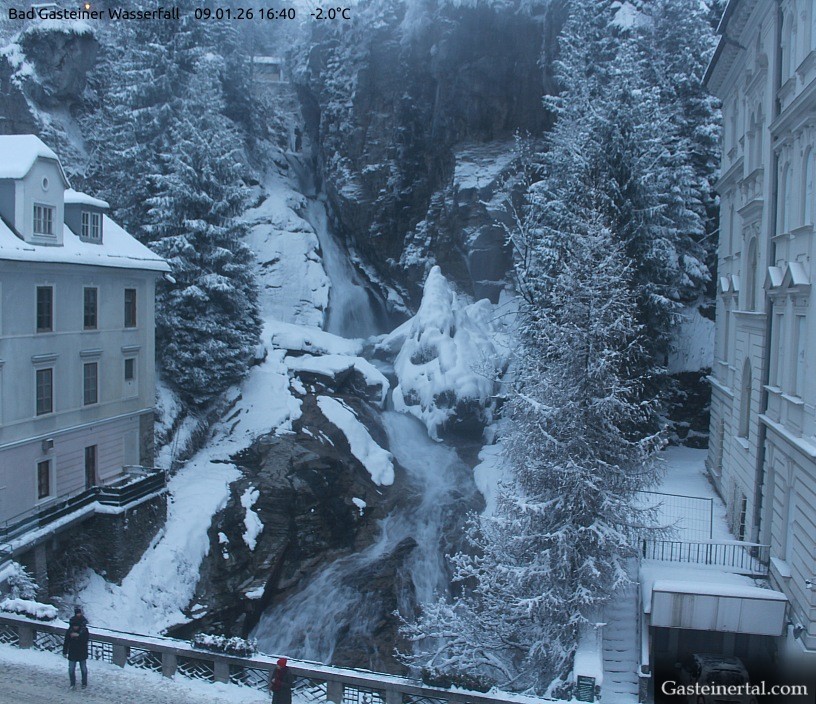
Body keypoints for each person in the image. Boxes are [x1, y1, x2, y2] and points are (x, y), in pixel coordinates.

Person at [62, 606, 89, 690]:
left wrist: (78, 636)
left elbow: (85, 640)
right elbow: (66, 641)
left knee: (83, 669)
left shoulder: (84, 630)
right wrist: (65, 651)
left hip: (81, 652)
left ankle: (84, 683)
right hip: (73, 652)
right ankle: (72, 683)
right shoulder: (70, 631)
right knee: (71, 669)